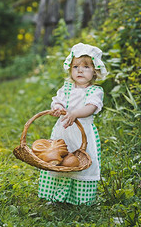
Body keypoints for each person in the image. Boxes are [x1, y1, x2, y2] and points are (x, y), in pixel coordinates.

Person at [38, 43, 107, 206]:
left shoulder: (95, 91)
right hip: (64, 133)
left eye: (86, 67)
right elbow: (58, 102)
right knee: (59, 159)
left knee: (81, 161)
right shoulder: (66, 88)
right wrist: (58, 108)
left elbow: (91, 107)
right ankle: (56, 196)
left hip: (82, 134)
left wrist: (75, 113)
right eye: (75, 66)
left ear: (95, 71)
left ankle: (80, 200)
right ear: (70, 69)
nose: (80, 70)